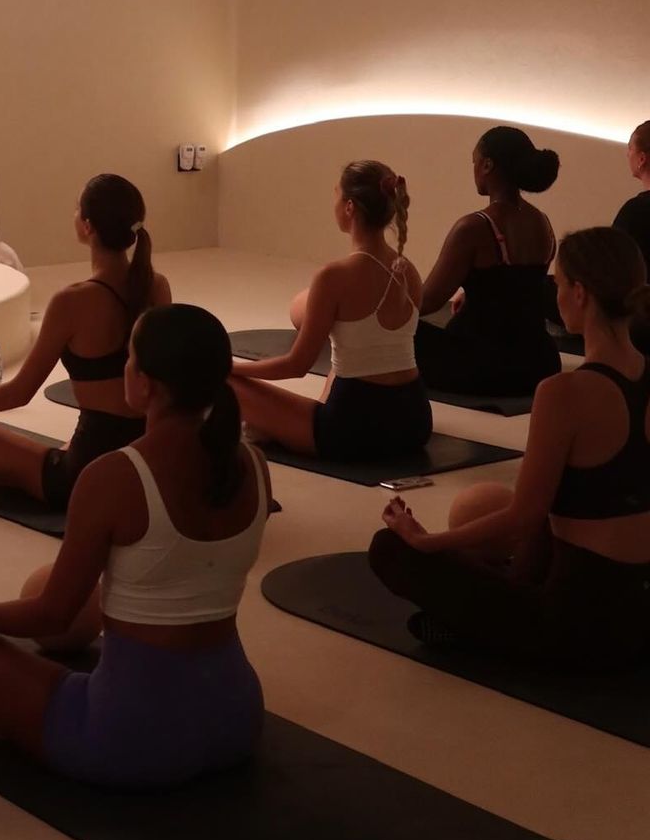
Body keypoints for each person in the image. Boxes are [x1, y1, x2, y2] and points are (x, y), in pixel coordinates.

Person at [0, 304, 272, 788]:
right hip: (237, 720)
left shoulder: (115, 475)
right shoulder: (253, 462)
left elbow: (51, 617)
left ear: (145, 383)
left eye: (128, 358)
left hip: (129, 738)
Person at [371, 228, 650, 670]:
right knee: (483, 506)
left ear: (579, 293)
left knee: (389, 550)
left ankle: (477, 628)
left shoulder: (565, 392)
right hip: (642, 610)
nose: (554, 294)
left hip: (577, 626)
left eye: (557, 284)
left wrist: (426, 541)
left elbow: (525, 515)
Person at [0, 175, 171, 509]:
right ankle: (21, 473)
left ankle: (26, 475)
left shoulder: (72, 302)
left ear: (87, 226)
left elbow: (19, 392)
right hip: (150, 456)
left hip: (87, 472)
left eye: (76, 209)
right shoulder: (157, 286)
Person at [229, 161, 432, 460]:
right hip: (414, 422)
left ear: (349, 207)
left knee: (224, 384)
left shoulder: (335, 276)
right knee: (343, 359)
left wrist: (231, 368)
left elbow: (296, 366)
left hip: (352, 430)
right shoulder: (409, 271)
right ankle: (281, 427)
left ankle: (277, 427)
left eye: (335, 195)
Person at [415, 125, 561, 396]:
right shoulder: (543, 222)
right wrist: (473, 294)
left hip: (485, 366)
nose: (473, 169)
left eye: (474, 161)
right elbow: (515, 286)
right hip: (540, 362)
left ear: (487, 165)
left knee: (397, 335)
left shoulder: (474, 227)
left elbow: (426, 301)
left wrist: (377, 305)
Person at [614, 121, 650, 355]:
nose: (627, 154)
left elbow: (610, 267)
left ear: (642, 158)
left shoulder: (635, 211)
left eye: (630, 148)